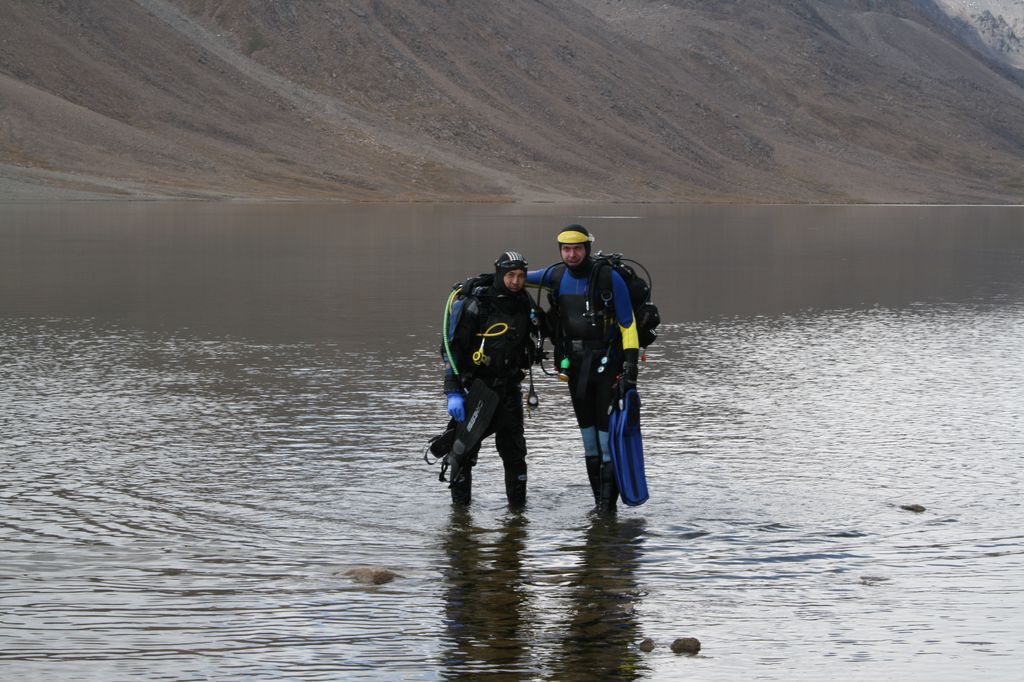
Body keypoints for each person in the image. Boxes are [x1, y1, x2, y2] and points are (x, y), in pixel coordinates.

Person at [527, 225, 639, 513]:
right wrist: (484, 281)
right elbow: (517, 278)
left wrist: (630, 370)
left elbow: (627, 324)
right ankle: (600, 506)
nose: (571, 254)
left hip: (607, 366)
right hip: (575, 369)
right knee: (589, 442)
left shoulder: (608, 277)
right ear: (560, 250)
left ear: (587, 249)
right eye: (566, 249)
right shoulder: (555, 276)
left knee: (606, 441)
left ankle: (607, 509)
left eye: (577, 248)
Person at [441, 251, 540, 508]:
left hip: (509, 390)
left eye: (520, 276)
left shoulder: (524, 302)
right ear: (499, 274)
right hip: (477, 391)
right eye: (510, 275)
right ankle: (460, 515)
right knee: (462, 453)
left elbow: (544, 331)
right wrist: (453, 392)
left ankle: (517, 513)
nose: (516, 281)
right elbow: (451, 349)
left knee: (515, 455)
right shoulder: (475, 304)